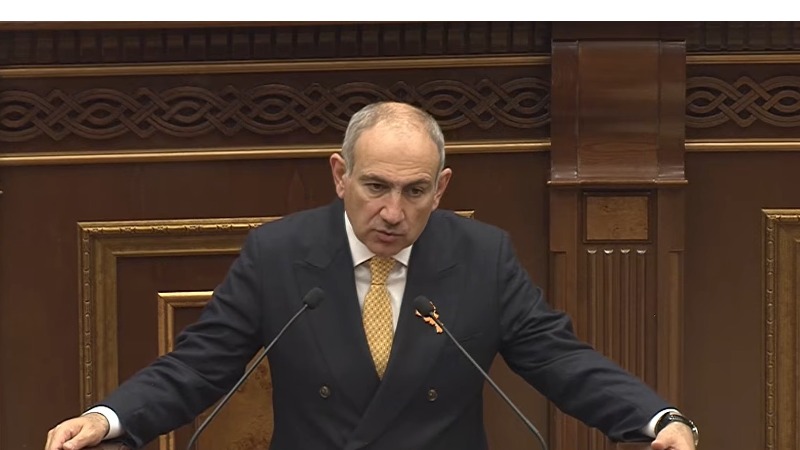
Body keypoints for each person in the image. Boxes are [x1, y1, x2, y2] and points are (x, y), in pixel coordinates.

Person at [45, 101, 698, 450]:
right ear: (340, 175)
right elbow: (199, 365)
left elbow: (560, 360)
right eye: (376, 186)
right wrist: (109, 418)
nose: (393, 212)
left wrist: (655, 418)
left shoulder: (482, 257)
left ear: (441, 188)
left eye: (415, 191)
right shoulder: (279, 254)